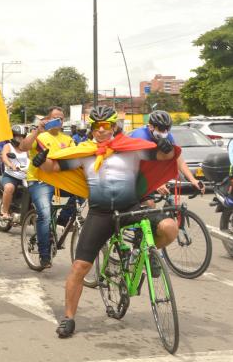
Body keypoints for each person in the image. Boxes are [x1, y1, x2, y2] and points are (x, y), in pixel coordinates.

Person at [34, 105, 178, 338]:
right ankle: (69, 317)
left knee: (170, 227)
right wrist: (40, 161)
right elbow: (53, 167)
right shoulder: (84, 151)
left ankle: (147, 254)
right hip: (100, 214)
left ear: (114, 126)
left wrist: (165, 147)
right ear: (91, 128)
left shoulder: (131, 148)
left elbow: (166, 156)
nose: (101, 131)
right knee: (79, 267)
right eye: (96, 126)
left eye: (105, 126)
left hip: (131, 208)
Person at [18, 106, 77, 270]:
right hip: (39, 181)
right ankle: (44, 255)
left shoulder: (68, 138)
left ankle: (60, 223)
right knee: (44, 214)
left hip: (61, 181)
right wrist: (37, 129)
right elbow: (23, 147)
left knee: (81, 196)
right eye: (56, 117)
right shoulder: (40, 136)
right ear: (48, 119)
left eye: (62, 118)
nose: (60, 120)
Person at [130, 110, 205, 198]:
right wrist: (156, 183)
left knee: (169, 198)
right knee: (149, 204)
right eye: (161, 128)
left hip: (153, 168)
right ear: (151, 127)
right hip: (134, 171)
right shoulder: (140, 136)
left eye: (167, 129)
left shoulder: (168, 136)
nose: (165, 132)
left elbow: (178, 159)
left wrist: (193, 179)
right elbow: (138, 165)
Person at [0, 125, 29, 219]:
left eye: (22, 136)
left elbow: (31, 158)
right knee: (9, 188)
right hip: (10, 175)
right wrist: (11, 165)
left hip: (25, 176)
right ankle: (5, 211)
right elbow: (4, 157)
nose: (20, 139)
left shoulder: (26, 148)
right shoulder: (8, 146)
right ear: (13, 136)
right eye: (17, 136)